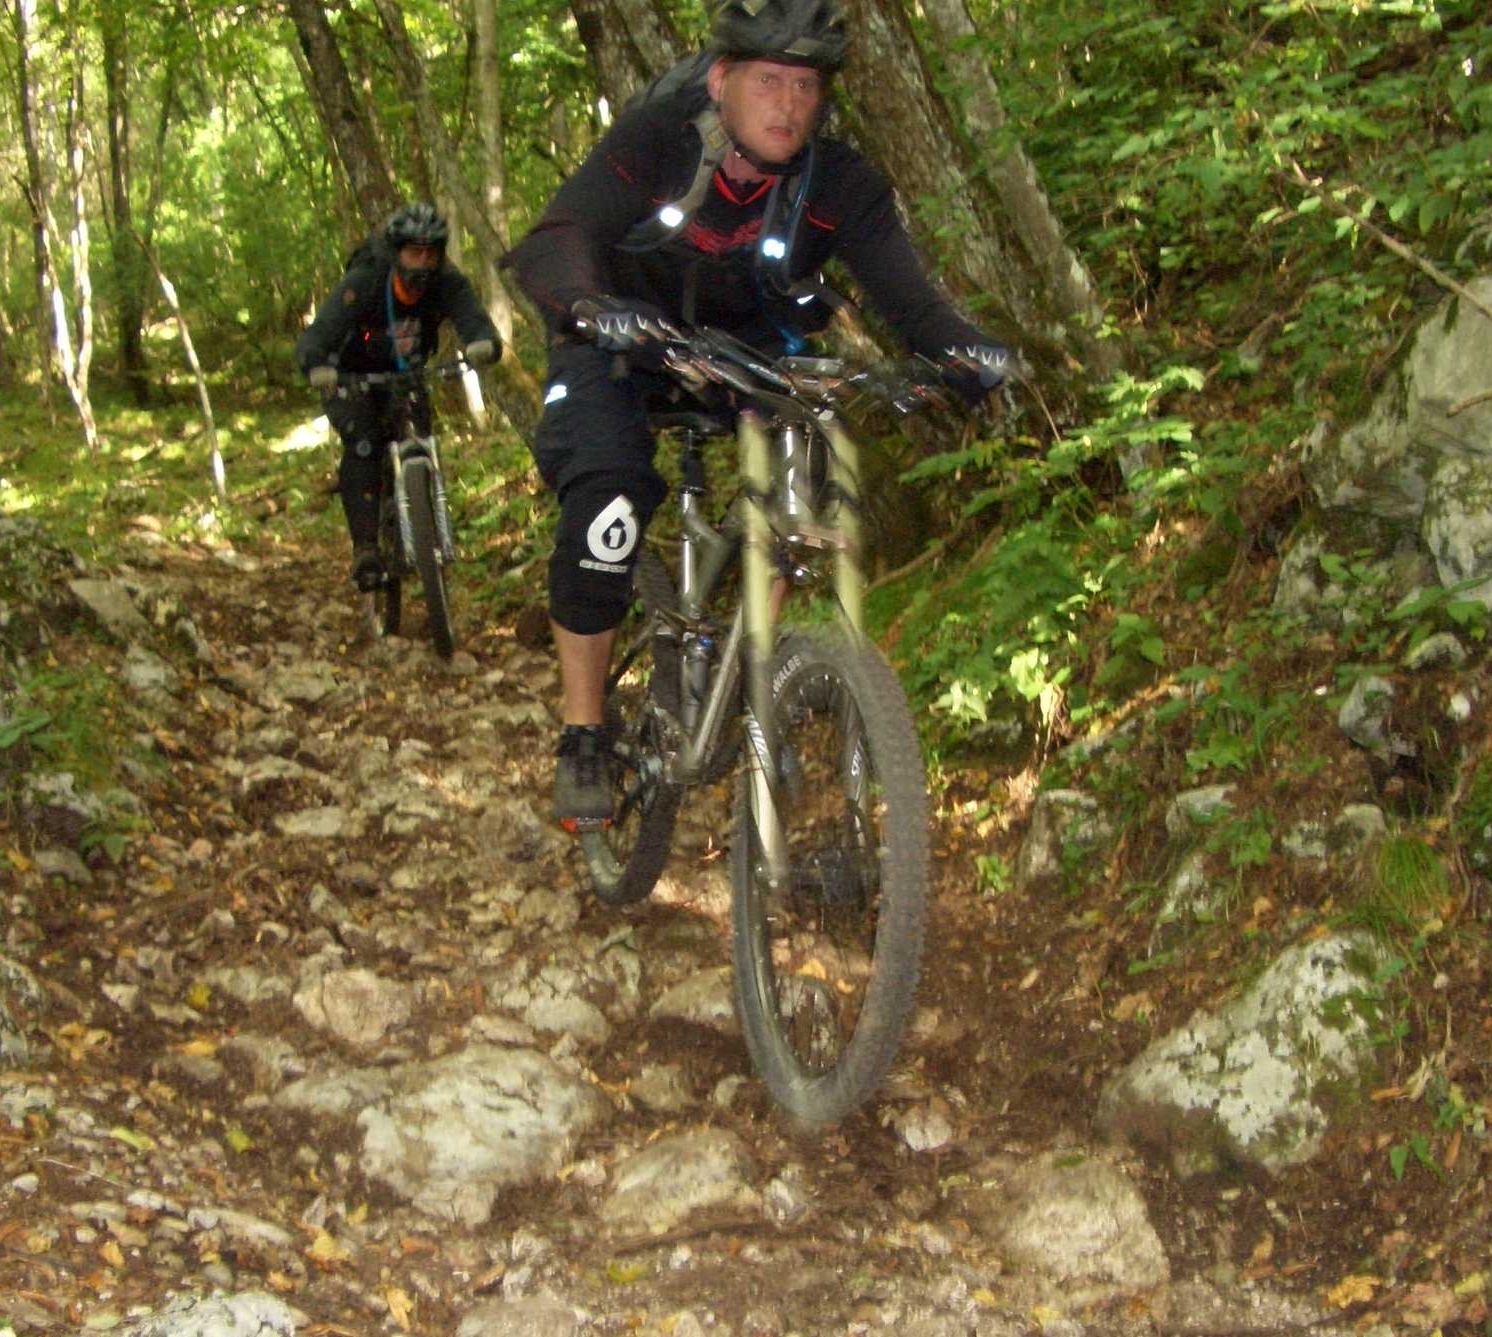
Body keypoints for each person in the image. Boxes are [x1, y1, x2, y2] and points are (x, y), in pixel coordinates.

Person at [502, 0, 1012, 831]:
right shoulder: (657, 143)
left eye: (806, 86)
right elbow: (559, 233)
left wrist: (971, 353)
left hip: (745, 356)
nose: (789, 105)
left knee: (809, 483)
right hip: (620, 341)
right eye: (769, 81)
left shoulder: (838, 184)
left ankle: (751, 678)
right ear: (720, 81)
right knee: (608, 504)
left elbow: (913, 301)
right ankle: (585, 733)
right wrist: (591, 306)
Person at [296, 203, 501, 597]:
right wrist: (316, 364)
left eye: (430, 253)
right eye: (413, 253)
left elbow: (472, 318)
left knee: (420, 431)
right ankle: (366, 550)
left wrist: (483, 343)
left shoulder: (446, 281)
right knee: (364, 441)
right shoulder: (367, 281)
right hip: (352, 376)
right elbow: (320, 333)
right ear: (396, 253)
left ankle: (427, 525)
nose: (422, 263)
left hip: (408, 374)